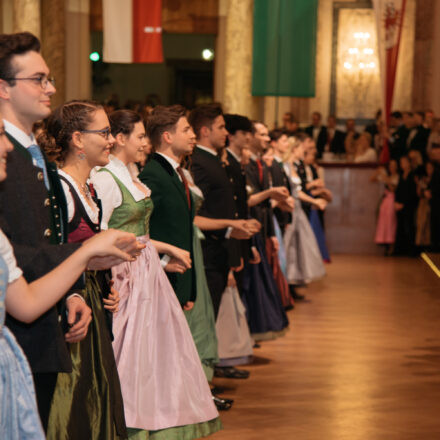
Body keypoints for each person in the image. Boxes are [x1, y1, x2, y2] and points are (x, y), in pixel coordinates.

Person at [0, 31, 133, 430]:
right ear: (4, 88)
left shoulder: (27, 151)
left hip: (40, 311)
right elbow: (16, 252)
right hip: (19, 328)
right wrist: (87, 253)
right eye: (38, 79)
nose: (50, 88)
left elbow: (39, 240)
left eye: (50, 77)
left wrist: (70, 289)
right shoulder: (7, 153)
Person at [93, 107, 221, 438]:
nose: (146, 144)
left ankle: (152, 417)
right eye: (139, 137)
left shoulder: (128, 173)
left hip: (145, 270)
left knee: (153, 354)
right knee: (130, 353)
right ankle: (129, 422)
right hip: (124, 273)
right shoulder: (106, 179)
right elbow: (100, 234)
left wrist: (161, 257)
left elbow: (142, 236)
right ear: (120, 139)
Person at [37, 101, 128, 440]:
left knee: (94, 390)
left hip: (90, 294)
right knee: (73, 396)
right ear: (77, 139)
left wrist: (104, 281)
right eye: (104, 133)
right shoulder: (60, 189)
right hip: (71, 299)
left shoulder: (89, 188)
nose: (111, 140)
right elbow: (54, 254)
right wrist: (82, 283)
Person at [187, 104, 253, 318]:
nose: (226, 132)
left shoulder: (213, 160)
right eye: (221, 127)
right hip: (208, 254)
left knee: (211, 316)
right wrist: (228, 228)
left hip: (220, 251)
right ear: (205, 131)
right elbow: (197, 213)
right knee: (204, 318)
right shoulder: (198, 162)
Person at [283, 137, 326, 285]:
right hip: (290, 208)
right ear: (294, 149)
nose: (304, 151)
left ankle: (293, 282)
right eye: (301, 148)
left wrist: (314, 201)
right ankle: (286, 284)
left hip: (298, 208)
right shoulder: (285, 166)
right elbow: (294, 193)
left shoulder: (295, 166)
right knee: (288, 246)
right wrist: (314, 201)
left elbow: (298, 192)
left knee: (298, 247)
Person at [372, 159, 400, 254]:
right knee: (383, 223)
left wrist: (386, 178)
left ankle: (392, 246)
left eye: (394, 165)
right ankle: (385, 244)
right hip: (385, 202)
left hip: (392, 201)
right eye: (390, 165)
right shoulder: (387, 176)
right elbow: (372, 179)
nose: (392, 167)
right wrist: (378, 171)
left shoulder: (396, 176)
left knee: (391, 224)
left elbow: (393, 188)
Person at [394, 155, 418, 256]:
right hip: (400, 205)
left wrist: (404, 204)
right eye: (401, 162)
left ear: (409, 163)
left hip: (409, 205)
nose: (402, 164)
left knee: (410, 226)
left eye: (404, 162)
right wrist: (396, 202)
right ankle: (400, 250)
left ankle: (411, 250)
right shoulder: (401, 175)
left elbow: (412, 192)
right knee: (400, 227)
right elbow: (398, 190)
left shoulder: (413, 175)